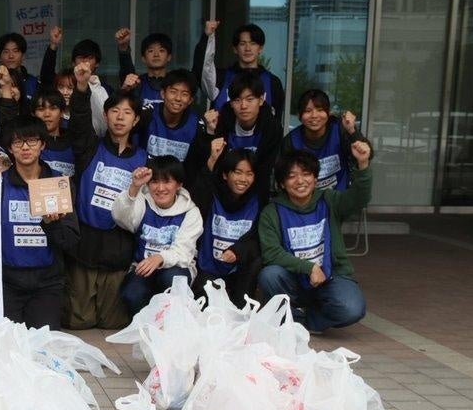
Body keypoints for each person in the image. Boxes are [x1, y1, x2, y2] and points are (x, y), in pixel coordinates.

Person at [258, 142, 373, 333]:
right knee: (269, 275)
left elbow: (358, 198)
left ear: (315, 178)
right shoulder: (272, 212)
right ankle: (290, 318)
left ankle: (307, 321)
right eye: (292, 176)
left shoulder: (329, 200)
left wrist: (363, 165)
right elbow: (271, 253)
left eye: (306, 174)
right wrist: (309, 267)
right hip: (293, 278)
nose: (300, 181)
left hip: (331, 276)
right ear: (281, 184)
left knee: (352, 309)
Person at [67, 70, 146, 330]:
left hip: (119, 245)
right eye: (115, 111)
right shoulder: (90, 147)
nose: (120, 117)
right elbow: (78, 121)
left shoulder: (144, 159)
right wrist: (80, 86)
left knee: (112, 322)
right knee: (80, 321)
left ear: (136, 121)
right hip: (86, 242)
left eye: (127, 112)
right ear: (105, 115)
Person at [0, 118, 80, 329]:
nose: (25, 147)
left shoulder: (58, 183)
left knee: (44, 347)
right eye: (18, 143)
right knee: (7, 348)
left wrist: (52, 225)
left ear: (43, 145)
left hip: (47, 283)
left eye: (32, 141)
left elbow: (71, 240)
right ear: (10, 148)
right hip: (7, 283)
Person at [111, 156, 204, 315]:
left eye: (167, 182)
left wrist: (159, 258)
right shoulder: (143, 202)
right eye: (154, 182)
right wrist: (134, 188)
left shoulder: (191, 212)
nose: (160, 188)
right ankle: (146, 330)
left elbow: (184, 252)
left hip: (176, 268)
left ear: (179, 185)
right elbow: (120, 218)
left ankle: (172, 328)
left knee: (172, 280)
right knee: (132, 293)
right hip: (143, 266)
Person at [191, 141, 264, 307]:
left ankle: (241, 306)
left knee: (256, 262)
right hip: (209, 266)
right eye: (237, 172)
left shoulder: (257, 202)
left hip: (240, 269)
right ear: (225, 175)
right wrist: (211, 160)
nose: (243, 179)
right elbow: (199, 192)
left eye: (249, 174)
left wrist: (237, 251)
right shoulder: (212, 195)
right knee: (206, 308)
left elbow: (257, 239)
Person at [209, 73, 282, 191]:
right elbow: (216, 166)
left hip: (257, 189)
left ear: (261, 100)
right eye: (237, 100)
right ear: (231, 103)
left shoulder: (272, 128)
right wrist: (210, 132)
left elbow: (265, 171)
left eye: (250, 99)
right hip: (223, 188)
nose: (243, 106)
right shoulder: (222, 123)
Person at [283, 90, 367, 191]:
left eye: (320, 110)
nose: (314, 115)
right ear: (299, 116)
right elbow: (283, 177)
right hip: (305, 202)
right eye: (308, 111)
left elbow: (366, 156)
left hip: (339, 199)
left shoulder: (339, 130)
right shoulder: (291, 141)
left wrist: (352, 130)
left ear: (329, 113)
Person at [199, 21, 286, 115]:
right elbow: (202, 70)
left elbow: (276, 123)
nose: (248, 48)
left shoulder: (273, 82)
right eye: (242, 43)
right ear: (235, 49)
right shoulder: (220, 77)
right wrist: (207, 37)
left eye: (253, 43)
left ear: (260, 48)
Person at [137, 69, 209, 175]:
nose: (178, 98)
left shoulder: (197, 124)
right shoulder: (148, 113)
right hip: (144, 177)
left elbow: (195, 166)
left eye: (184, 94)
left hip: (177, 185)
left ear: (190, 100)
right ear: (163, 93)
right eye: (173, 92)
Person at [115, 30, 184, 112]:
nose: (156, 55)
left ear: (169, 57)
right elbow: (126, 70)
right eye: (151, 51)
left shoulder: (177, 84)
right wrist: (123, 48)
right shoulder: (136, 83)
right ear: (143, 58)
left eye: (161, 50)